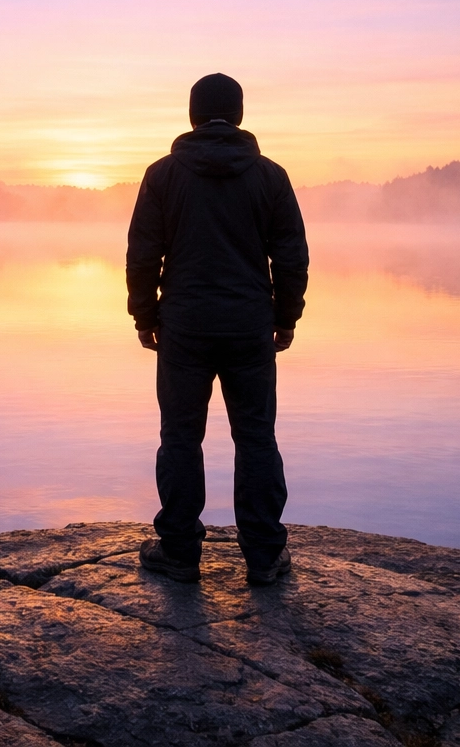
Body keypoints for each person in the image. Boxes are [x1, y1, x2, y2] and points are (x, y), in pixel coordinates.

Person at [126, 73, 309, 585]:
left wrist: (144, 316)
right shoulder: (270, 176)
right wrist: (285, 319)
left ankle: (180, 552)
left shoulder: (162, 176)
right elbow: (291, 259)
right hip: (250, 327)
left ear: (191, 114)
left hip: (183, 327)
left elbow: (142, 257)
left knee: (180, 437)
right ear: (241, 114)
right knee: (256, 438)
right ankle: (265, 555)